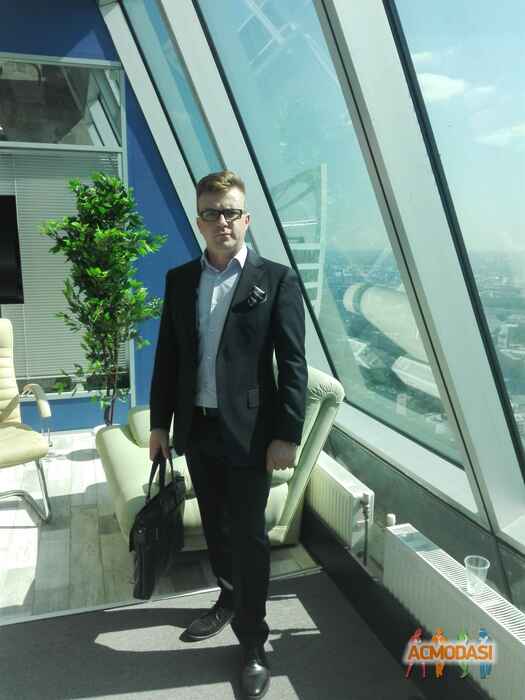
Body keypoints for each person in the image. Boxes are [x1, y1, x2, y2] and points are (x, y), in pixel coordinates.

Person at [149, 170, 307, 699]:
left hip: (253, 435)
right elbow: (168, 358)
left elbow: (293, 364)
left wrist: (287, 434)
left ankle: (254, 642)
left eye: (231, 212)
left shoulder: (276, 280)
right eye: (212, 213)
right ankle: (227, 597)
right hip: (198, 429)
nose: (223, 221)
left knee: (249, 537)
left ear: (246, 218)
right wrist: (159, 424)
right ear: (199, 221)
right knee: (216, 529)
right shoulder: (179, 280)